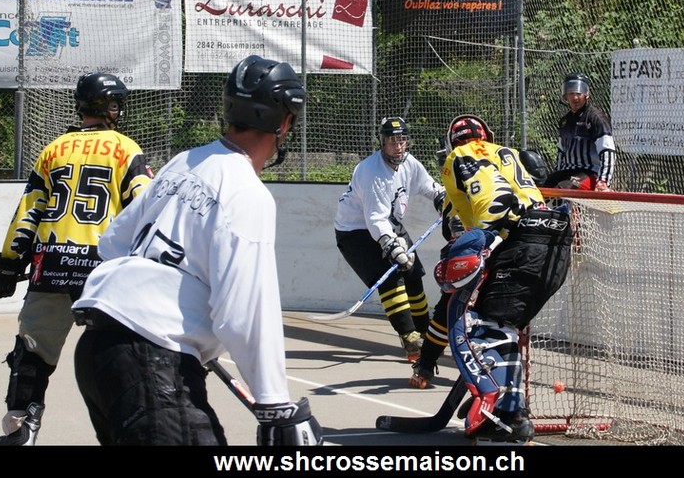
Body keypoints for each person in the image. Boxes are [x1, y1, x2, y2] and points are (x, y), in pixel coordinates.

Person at [70, 55, 322, 447]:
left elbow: (114, 243)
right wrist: (275, 404)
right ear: (285, 121)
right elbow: (245, 311)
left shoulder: (183, 162)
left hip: (99, 352)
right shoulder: (247, 193)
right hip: (152, 361)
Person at [0, 71, 152, 446]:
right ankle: (132, 430)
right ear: (110, 108)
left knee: (31, 353)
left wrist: (7, 263)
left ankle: (21, 430)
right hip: (102, 274)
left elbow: (29, 212)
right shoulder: (127, 149)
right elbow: (146, 208)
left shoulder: (54, 149)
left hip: (52, 265)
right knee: (119, 354)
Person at [435, 114, 573, 445]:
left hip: (521, 245)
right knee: (502, 325)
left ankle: (500, 410)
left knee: (480, 326)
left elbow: (496, 200)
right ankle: (510, 412)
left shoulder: (460, 156)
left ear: (453, 143)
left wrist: (482, 241)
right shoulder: (504, 152)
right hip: (553, 245)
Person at [333, 116, 445, 370]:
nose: (398, 146)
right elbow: (375, 218)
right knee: (391, 278)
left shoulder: (410, 163)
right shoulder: (371, 172)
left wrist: (442, 199)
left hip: (389, 225)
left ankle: (424, 332)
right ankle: (410, 338)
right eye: (392, 141)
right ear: (382, 142)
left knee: (413, 274)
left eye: (402, 139)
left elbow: (429, 186)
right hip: (355, 232)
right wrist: (392, 246)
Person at [544, 72, 616, 190]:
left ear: (587, 95)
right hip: (569, 171)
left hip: (590, 173)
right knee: (542, 187)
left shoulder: (596, 118)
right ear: (565, 95)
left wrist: (603, 181)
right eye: (571, 93)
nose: (575, 98)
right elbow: (561, 152)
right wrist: (557, 173)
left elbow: (607, 151)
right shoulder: (565, 121)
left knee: (564, 188)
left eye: (578, 93)